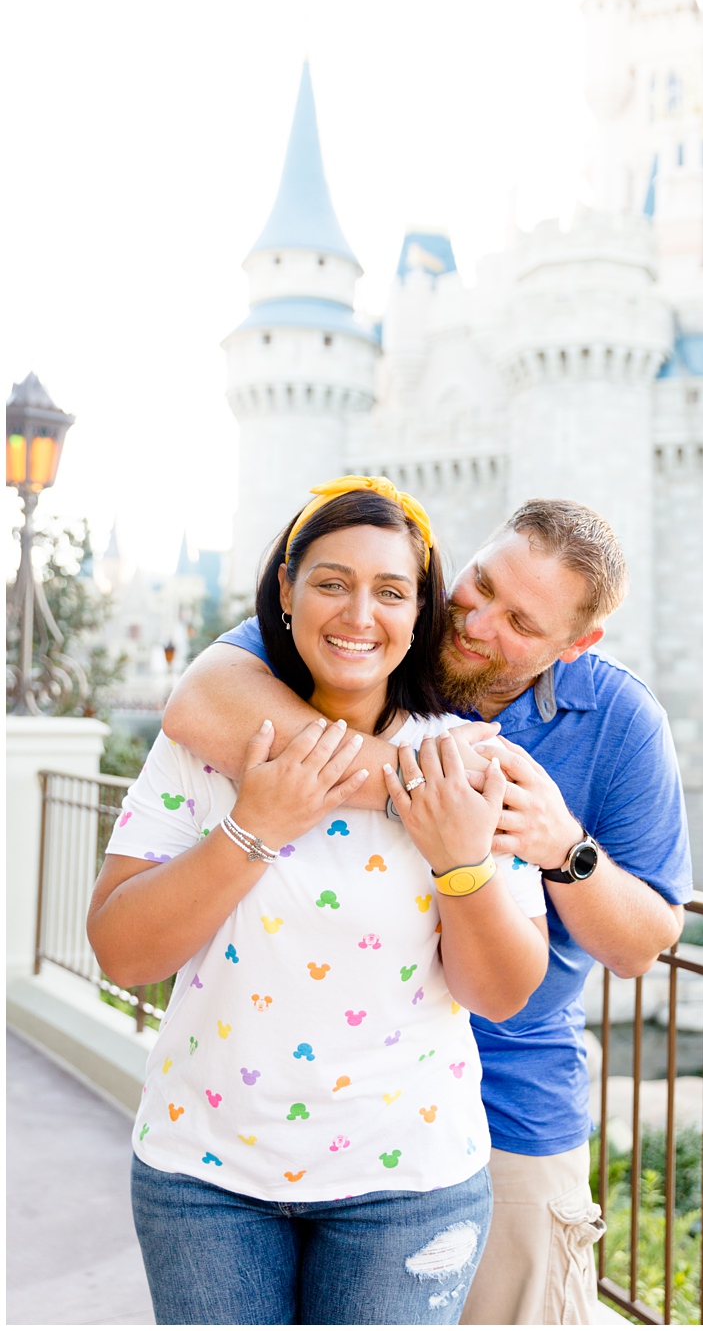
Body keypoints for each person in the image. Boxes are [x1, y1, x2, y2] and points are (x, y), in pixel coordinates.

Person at [162, 495, 693, 1325]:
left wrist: (564, 849)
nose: (477, 620)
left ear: (575, 646)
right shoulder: (361, 628)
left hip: (512, 1098)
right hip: (317, 1093)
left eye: (519, 620)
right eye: (480, 584)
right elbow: (200, 703)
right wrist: (431, 786)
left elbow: (644, 942)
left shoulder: (621, 721)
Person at [92, 478, 549, 1324]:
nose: (358, 613)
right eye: (332, 581)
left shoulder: (468, 768)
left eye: (391, 591)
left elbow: (503, 992)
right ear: (286, 594)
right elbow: (122, 952)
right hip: (206, 1178)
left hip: (408, 1185)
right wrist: (252, 826)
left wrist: (459, 863)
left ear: (420, 616)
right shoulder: (203, 747)